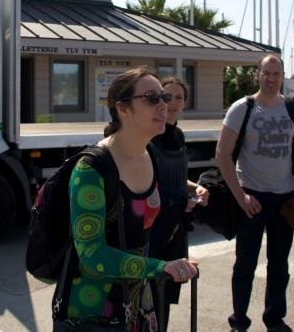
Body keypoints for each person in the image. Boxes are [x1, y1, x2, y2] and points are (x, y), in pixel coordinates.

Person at [57, 67, 198, 330]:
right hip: (95, 311)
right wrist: (159, 267)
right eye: (151, 98)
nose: (163, 105)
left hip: (140, 305)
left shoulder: (151, 156)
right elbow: (91, 254)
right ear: (122, 108)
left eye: (164, 98)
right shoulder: (92, 168)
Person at [215, 54, 294, 332]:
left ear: (283, 76)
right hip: (252, 198)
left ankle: (274, 318)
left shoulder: (293, 109)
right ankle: (239, 321)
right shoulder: (242, 108)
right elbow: (223, 155)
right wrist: (241, 197)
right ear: (258, 75)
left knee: (279, 266)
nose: (271, 79)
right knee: (245, 264)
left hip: (286, 199)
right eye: (266, 73)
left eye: (276, 73)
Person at [149, 76, 209, 329]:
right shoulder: (149, 137)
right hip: (153, 228)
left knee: (166, 293)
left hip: (176, 227)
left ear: (185, 103)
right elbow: (146, 184)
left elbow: (176, 176)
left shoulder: (178, 135)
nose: (172, 103)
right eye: (167, 97)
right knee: (149, 293)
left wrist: (196, 187)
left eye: (179, 98)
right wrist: (174, 201)